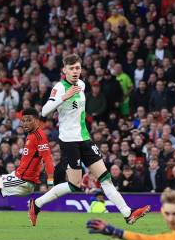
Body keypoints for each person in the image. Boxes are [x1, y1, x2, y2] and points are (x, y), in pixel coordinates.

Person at [31, 54, 149, 226]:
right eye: (71, 68)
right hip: (69, 141)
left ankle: (128, 213)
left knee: (105, 178)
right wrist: (64, 97)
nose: (75, 71)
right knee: (74, 185)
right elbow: (44, 111)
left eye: (77, 68)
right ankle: (36, 204)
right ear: (64, 70)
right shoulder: (59, 88)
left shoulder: (82, 84)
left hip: (84, 138)